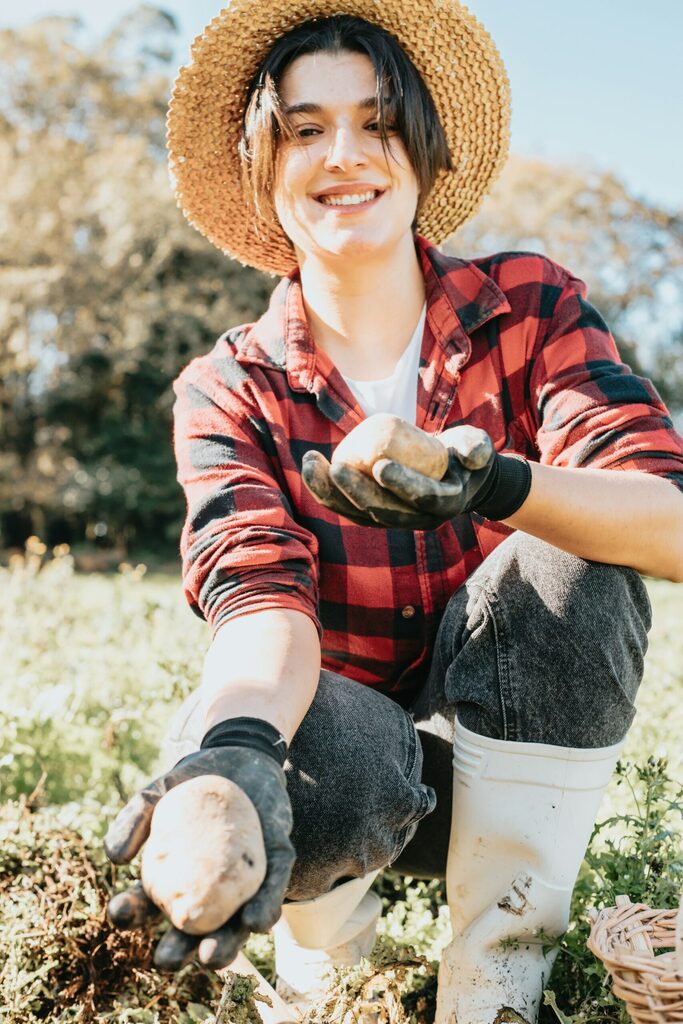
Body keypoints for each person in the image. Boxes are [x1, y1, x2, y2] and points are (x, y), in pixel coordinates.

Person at [103, 1, 683, 1021]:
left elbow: (664, 519)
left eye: (377, 123)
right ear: (261, 166)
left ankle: (497, 974)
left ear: (422, 149)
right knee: (297, 732)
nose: (344, 155)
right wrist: (233, 748)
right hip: (352, 766)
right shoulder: (230, 385)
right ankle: (325, 959)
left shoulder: (529, 307)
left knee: (569, 556)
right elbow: (256, 596)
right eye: (303, 127)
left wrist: (493, 481)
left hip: (519, 756)